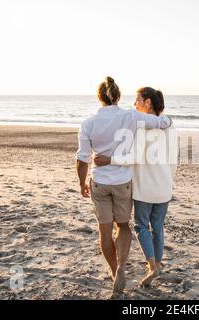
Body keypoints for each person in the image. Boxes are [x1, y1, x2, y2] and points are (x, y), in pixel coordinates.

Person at [76, 78, 172, 293]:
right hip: (122, 183)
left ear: (99, 97)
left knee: (104, 231)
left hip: (99, 181)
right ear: (118, 97)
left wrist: (82, 182)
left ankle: (113, 270)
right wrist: (168, 121)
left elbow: (82, 159)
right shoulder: (129, 116)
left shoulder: (88, 123)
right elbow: (159, 122)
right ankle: (122, 265)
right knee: (123, 226)